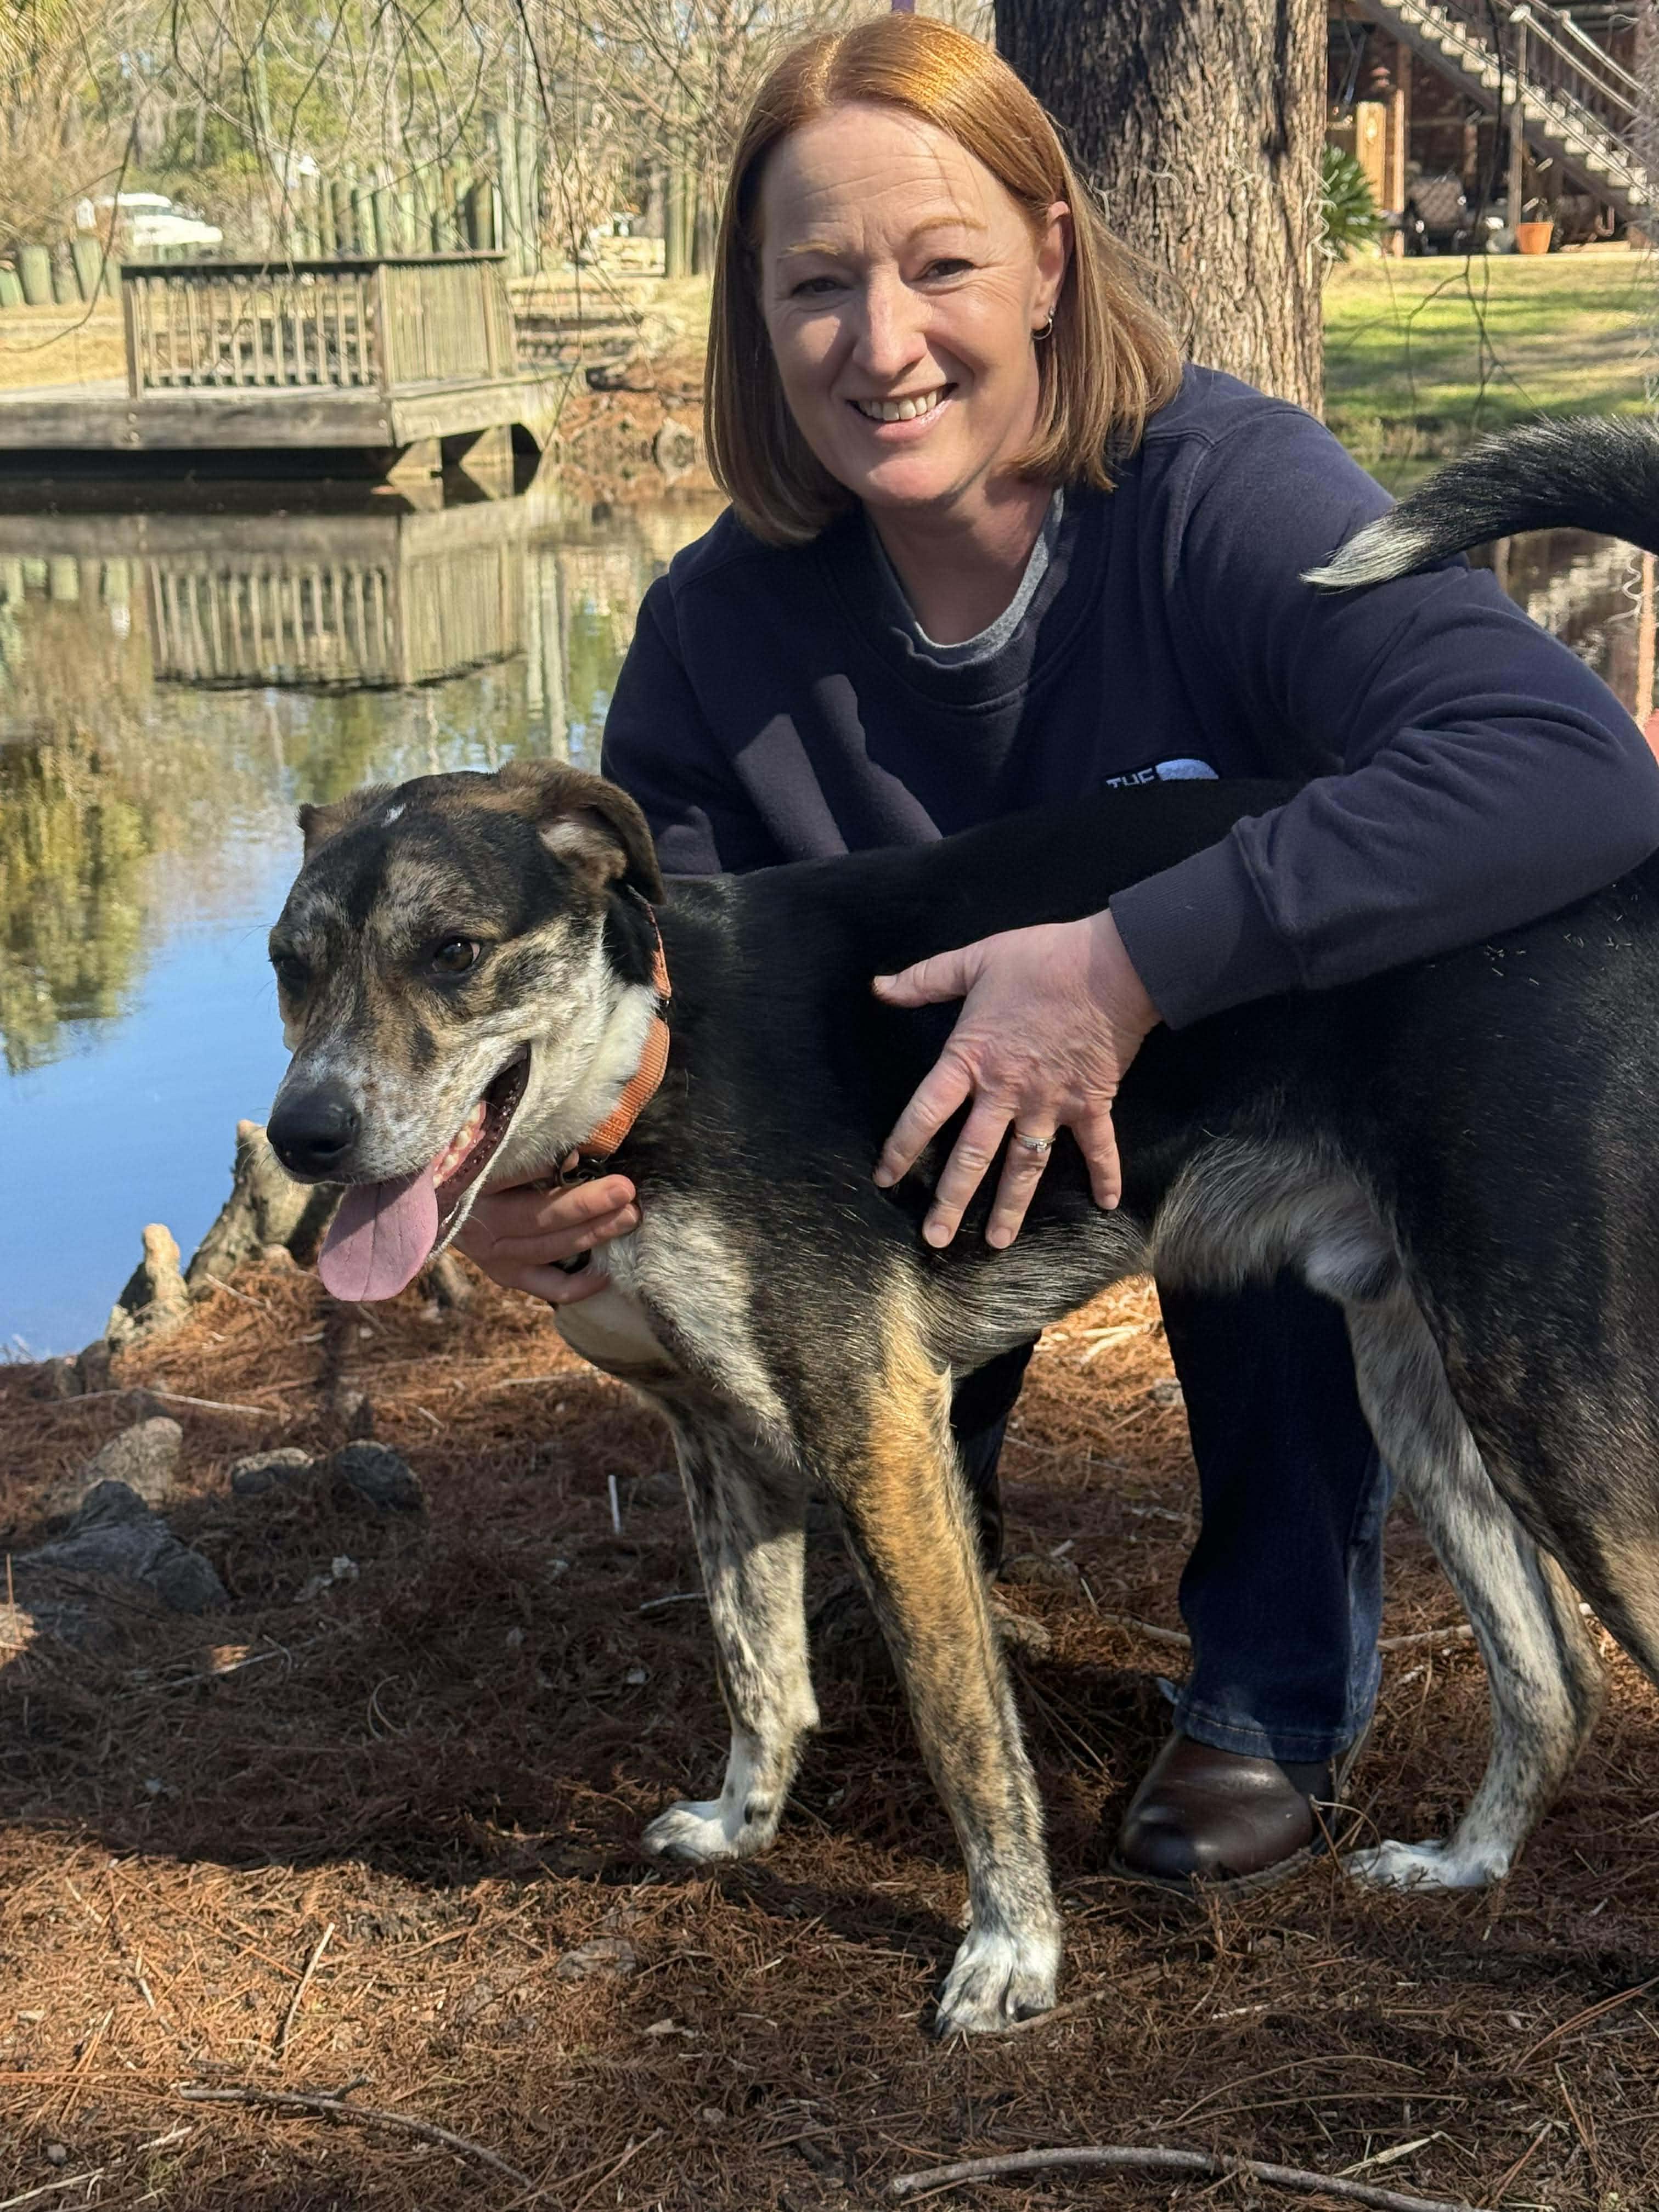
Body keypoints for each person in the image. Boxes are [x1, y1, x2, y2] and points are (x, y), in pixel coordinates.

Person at [459, 16, 1659, 1890]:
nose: (883, 341)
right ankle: (927, 1567)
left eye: (940, 265)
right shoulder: (712, 632)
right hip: (919, 1159)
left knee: (1256, 1192)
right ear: (755, 325)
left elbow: (1569, 772)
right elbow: (641, 1014)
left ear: (1048, 257)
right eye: (817, 287)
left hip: (1300, 1072)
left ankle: (1272, 1699)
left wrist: (1130, 964)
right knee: (812, 1269)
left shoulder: (1224, 500)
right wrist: (517, 1178)